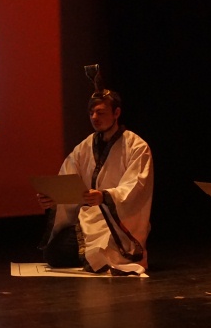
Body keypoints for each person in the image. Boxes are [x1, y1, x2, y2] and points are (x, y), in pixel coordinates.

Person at [37, 65, 154, 275]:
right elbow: (68, 179)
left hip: (116, 224)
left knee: (74, 253)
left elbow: (135, 187)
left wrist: (105, 196)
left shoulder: (136, 146)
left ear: (116, 113)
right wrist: (54, 198)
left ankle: (100, 255)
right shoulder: (85, 146)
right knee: (53, 253)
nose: (94, 117)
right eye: (91, 113)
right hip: (89, 219)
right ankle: (91, 255)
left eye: (100, 112)